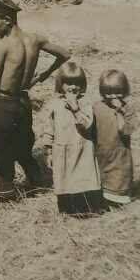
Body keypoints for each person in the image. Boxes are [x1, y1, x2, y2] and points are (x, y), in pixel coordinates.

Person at [0, 0, 71, 203]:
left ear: (8, 20)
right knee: (23, 145)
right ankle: (37, 181)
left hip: (4, 103)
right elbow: (65, 54)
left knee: (0, 149)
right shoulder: (35, 39)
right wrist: (43, 75)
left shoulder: (3, 45)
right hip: (23, 102)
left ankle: (6, 193)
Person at [39, 61, 103, 216]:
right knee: (64, 176)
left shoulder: (85, 103)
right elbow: (49, 129)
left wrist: (75, 109)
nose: (73, 87)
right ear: (60, 84)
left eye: (77, 83)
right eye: (68, 83)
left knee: (83, 175)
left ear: (82, 85)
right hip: (63, 149)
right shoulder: (54, 105)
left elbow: (87, 124)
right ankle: (68, 209)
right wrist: (47, 151)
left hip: (83, 147)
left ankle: (87, 208)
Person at [93, 69, 137, 210]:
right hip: (102, 150)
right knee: (103, 175)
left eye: (118, 92)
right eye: (108, 92)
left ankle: (118, 202)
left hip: (119, 152)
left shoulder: (127, 109)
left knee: (119, 176)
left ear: (125, 91)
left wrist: (119, 112)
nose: (113, 96)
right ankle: (105, 201)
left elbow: (125, 131)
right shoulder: (97, 107)